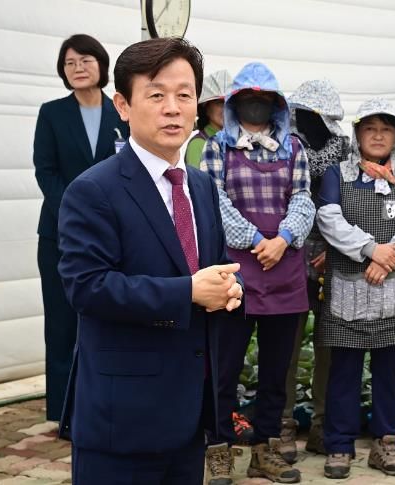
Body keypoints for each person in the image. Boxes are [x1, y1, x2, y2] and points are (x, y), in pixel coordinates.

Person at [56, 37, 243, 485]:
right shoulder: (94, 190)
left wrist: (230, 290)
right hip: (122, 417)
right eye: (156, 95)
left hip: (189, 411)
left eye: (184, 95)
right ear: (123, 105)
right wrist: (189, 292)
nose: (173, 109)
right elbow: (87, 287)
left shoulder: (201, 186)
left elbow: (213, 267)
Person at [200, 62, 314, 484]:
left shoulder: (293, 147)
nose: (256, 105)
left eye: (264, 99)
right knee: (224, 367)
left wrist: (283, 238)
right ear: (234, 103)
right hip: (233, 270)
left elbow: (303, 198)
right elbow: (214, 200)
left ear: (276, 105)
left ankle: (265, 449)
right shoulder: (218, 147)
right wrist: (253, 239)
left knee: (276, 372)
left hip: (284, 268)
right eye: (248, 98)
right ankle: (218, 449)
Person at [316, 98, 395, 479]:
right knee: (343, 374)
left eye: (386, 129)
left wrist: (388, 258)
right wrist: (370, 250)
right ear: (357, 134)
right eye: (370, 128)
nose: (378, 136)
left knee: (388, 375)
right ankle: (339, 446)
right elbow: (329, 219)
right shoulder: (338, 175)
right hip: (347, 296)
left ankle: (384, 444)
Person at [33, 33, 129, 422]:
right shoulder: (52, 113)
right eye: (70, 63)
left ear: (101, 65)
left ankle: (102, 401)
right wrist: (76, 214)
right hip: (59, 233)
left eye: (85, 60)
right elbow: (45, 171)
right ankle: (62, 411)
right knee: (61, 322)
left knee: (107, 319)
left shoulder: (119, 112)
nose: (78, 68)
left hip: (112, 233)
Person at [277, 79, 351, 464]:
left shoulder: (346, 149)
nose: (310, 119)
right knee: (287, 347)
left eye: (318, 114)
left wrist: (335, 248)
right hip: (290, 257)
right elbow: (281, 202)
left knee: (329, 346)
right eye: (304, 112)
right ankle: (283, 424)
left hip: (334, 259)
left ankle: (323, 424)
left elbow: (354, 204)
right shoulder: (285, 146)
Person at [185, 70, 232, 168]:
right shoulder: (198, 144)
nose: (226, 109)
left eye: (229, 103)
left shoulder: (237, 141)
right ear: (205, 108)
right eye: (220, 103)